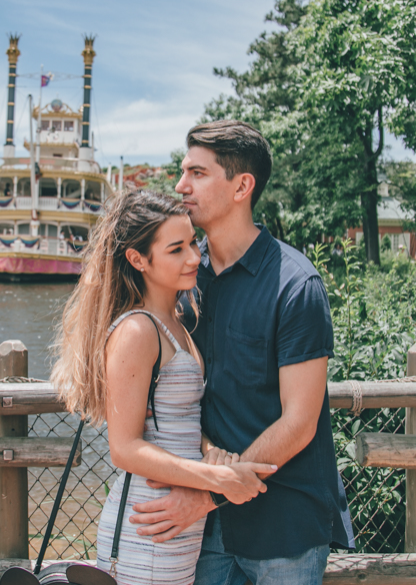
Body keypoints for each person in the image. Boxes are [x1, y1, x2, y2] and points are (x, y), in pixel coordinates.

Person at [128, 120, 354, 585]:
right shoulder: (185, 277)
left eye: (197, 173)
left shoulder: (295, 285)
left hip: (284, 526)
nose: (180, 185)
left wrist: (207, 496)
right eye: (183, 171)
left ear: (241, 186)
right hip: (205, 531)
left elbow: (299, 423)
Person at [51, 189, 277, 585]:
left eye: (192, 242)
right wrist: (218, 480)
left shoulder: (177, 319)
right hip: (148, 525)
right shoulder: (137, 331)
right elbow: (124, 448)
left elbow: (176, 419)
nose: (193, 257)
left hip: (175, 526)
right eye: (176, 249)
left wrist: (209, 450)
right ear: (138, 259)